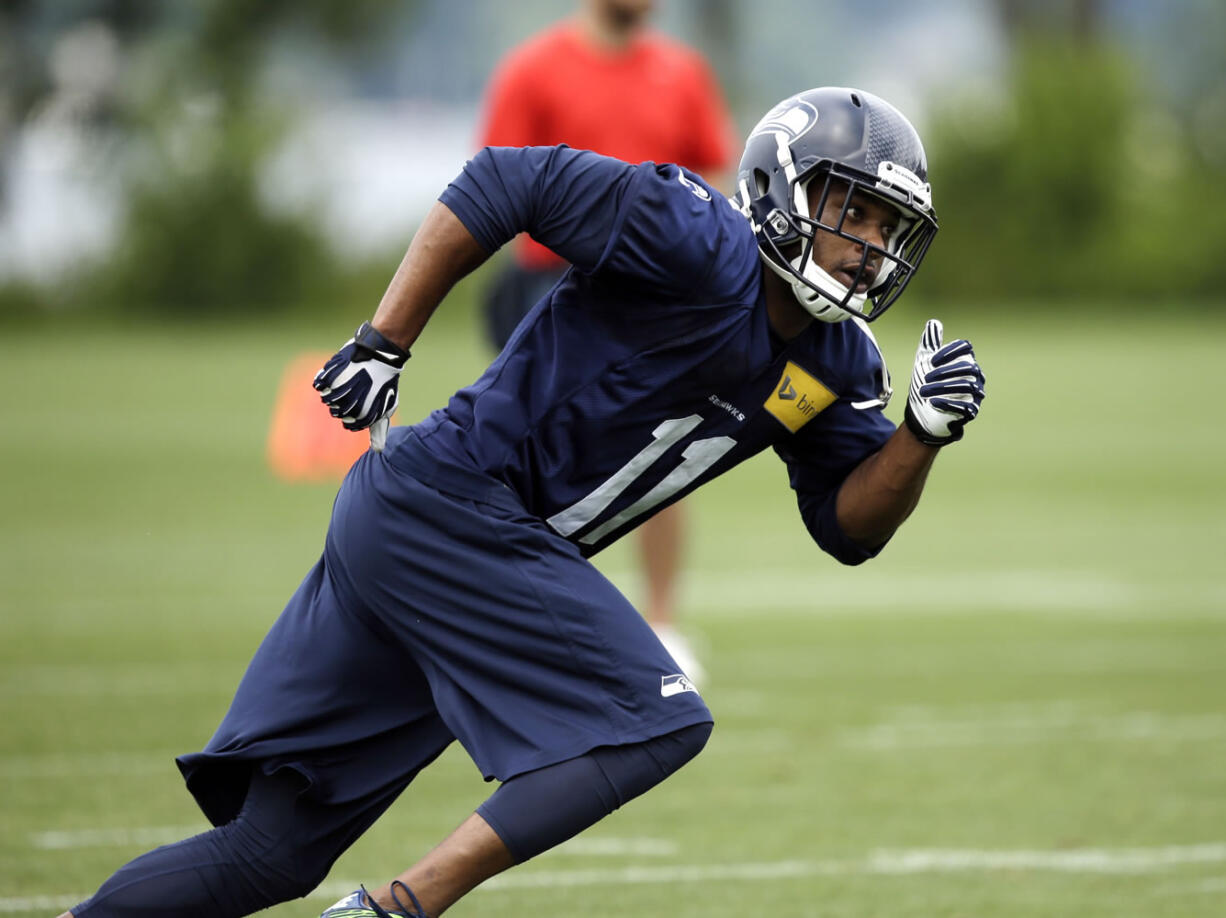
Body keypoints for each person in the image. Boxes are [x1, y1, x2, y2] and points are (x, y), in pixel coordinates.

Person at [63, 86, 985, 918]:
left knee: (265, 856)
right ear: (783, 191)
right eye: (852, 209)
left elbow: (849, 528)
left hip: (435, 536)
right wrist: (385, 341)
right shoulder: (695, 236)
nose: (869, 248)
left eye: (887, 227)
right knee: (658, 716)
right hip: (451, 508)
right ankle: (400, 908)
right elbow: (505, 182)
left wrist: (920, 436)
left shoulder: (836, 362)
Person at [475, 0, 737, 681]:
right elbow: (498, 186)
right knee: (529, 462)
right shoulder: (532, 70)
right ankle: (528, 623)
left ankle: (660, 623)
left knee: (666, 453)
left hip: (656, 292)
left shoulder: (682, 73)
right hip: (553, 291)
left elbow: (714, 176)